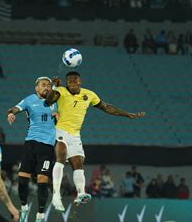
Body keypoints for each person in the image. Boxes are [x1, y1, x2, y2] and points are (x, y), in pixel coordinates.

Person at [46, 71, 145, 210]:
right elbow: (48, 101)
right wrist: (54, 88)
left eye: (75, 81)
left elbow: (107, 107)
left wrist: (128, 115)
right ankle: (56, 196)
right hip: (60, 130)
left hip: (75, 135)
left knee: (78, 164)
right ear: (66, 82)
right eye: (70, 81)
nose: (73, 84)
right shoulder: (60, 91)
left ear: (80, 81)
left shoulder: (89, 95)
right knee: (61, 157)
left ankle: (81, 193)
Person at [6, 76, 56, 222]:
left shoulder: (56, 101)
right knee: (22, 178)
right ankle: (24, 206)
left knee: (42, 180)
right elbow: (14, 108)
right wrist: (11, 114)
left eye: (48, 85)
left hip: (47, 146)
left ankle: (40, 216)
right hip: (30, 144)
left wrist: (58, 116)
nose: (46, 87)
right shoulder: (29, 100)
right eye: (43, 85)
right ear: (36, 88)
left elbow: (63, 115)